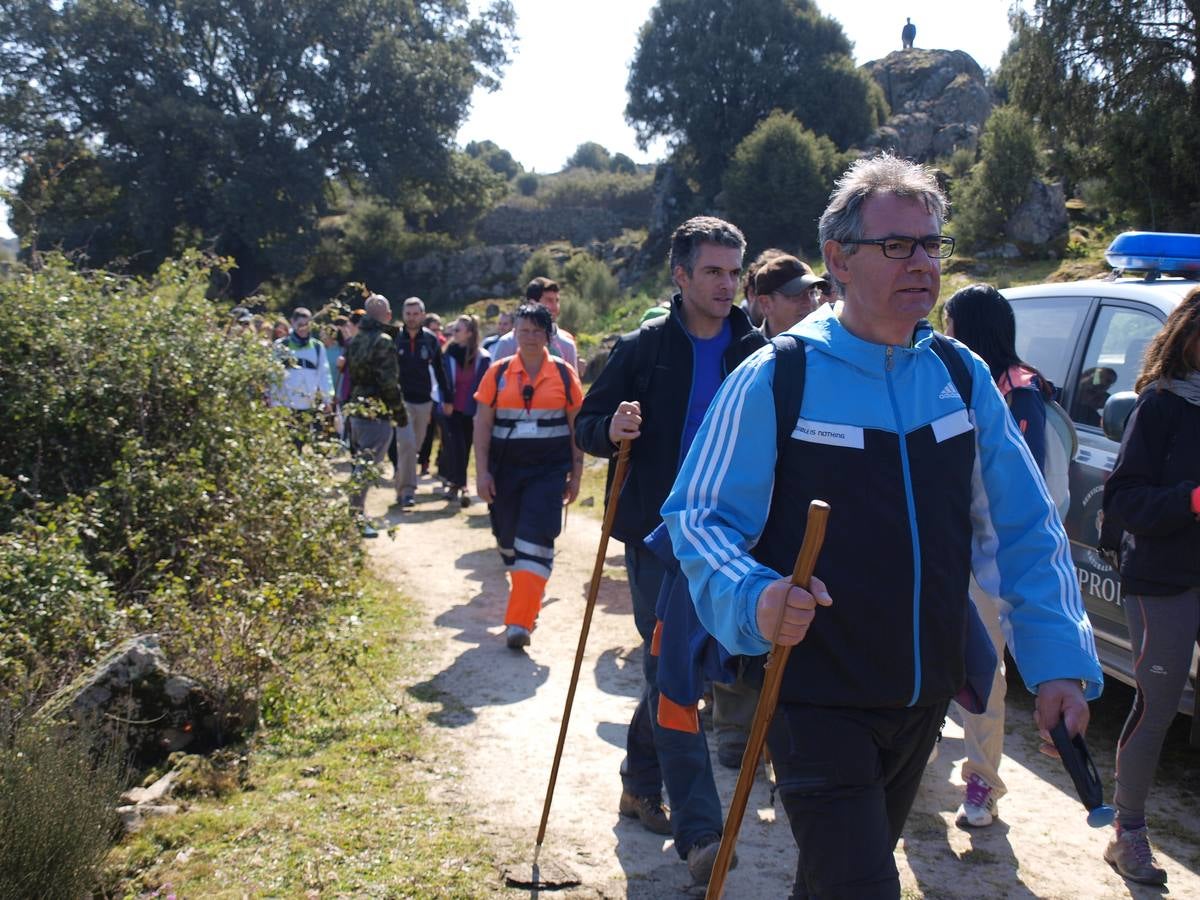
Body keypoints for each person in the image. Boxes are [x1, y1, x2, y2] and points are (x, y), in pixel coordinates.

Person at [660, 154, 1102, 898]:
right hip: (815, 696)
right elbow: (698, 520)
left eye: (932, 244)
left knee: (839, 880)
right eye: (898, 245)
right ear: (839, 258)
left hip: (924, 696)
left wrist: (1058, 659)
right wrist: (756, 597)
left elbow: (1027, 528)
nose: (922, 262)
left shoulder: (960, 377)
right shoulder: (778, 376)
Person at [575, 215, 766, 885]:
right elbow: (587, 424)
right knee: (673, 667)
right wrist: (615, 426)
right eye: (711, 271)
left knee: (687, 671)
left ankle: (637, 779)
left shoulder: (758, 349)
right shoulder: (644, 348)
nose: (725, 284)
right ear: (680, 276)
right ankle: (701, 834)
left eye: (733, 271)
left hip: (734, 539)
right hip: (660, 538)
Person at [942, 283, 1057, 828]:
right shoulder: (947, 378)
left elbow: (1020, 486)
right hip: (941, 546)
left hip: (988, 558)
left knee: (985, 668)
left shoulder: (1020, 393)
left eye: (948, 321)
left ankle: (982, 780)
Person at [1100, 287, 1200, 887]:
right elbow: (1123, 500)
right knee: (1157, 704)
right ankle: (1127, 833)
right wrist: (1191, 501)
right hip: (1163, 578)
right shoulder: (1160, 405)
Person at [473, 304, 583, 649]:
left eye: (537, 331)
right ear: (514, 334)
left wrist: (576, 474)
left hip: (548, 474)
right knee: (508, 542)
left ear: (549, 335)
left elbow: (576, 427)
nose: (531, 338)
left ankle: (519, 622)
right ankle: (528, 591)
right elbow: (482, 423)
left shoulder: (565, 374)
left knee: (534, 542)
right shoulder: (497, 372)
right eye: (524, 331)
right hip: (505, 474)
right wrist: (481, 473)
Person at [344, 294, 408, 537]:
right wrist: (399, 413)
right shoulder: (382, 341)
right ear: (386, 314)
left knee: (360, 464)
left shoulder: (356, 339)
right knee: (366, 468)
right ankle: (356, 517)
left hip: (357, 409)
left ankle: (355, 514)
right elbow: (388, 383)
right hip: (375, 412)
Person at [395, 296, 452, 508]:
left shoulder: (430, 340)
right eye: (408, 314)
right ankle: (408, 491)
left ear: (423, 315)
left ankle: (400, 485)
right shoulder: (394, 338)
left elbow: (440, 370)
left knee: (413, 447)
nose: (411, 318)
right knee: (407, 443)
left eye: (415, 314)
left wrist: (447, 398)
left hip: (424, 400)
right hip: (401, 400)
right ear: (403, 315)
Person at [442, 314, 491, 507]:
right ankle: (459, 485)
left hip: (473, 411)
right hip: (451, 408)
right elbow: (441, 380)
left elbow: (485, 387)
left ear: (469, 333)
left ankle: (458, 483)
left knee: (467, 446)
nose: (453, 333)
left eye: (457, 330)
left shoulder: (482, 358)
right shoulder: (448, 354)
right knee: (456, 446)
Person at [269, 307, 334, 444]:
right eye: (300, 325)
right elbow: (274, 376)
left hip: (308, 404)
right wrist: (274, 402)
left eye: (306, 325)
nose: (303, 329)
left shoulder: (317, 347)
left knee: (303, 442)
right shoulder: (281, 346)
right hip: (286, 404)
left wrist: (327, 399)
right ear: (292, 322)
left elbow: (324, 374)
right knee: (286, 444)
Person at [490, 278, 578, 370]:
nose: (555, 307)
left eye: (557, 301)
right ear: (532, 303)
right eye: (549, 300)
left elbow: (572, 382)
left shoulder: (567, 345)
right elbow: (495, 381)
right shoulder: (507, 344)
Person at [754, 255, 829, 339]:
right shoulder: (748, 350)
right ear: (766, 304)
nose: (808, 302)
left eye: (812, 293)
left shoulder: (832, 343)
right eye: (797, 295)